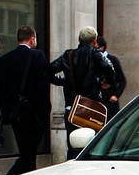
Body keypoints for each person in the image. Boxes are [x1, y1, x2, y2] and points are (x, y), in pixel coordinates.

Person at [49, 26, 115, 157]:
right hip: (92, 108)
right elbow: (110, 69)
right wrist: (105, 84)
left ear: (79, 40)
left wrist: (62, 81)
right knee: (92, 147)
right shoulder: (96, 54)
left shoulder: (68, 55)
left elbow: (48, 71)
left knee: (73, 146)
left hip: (73, 107)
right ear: (95, 40)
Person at [0, 25, 50, 175]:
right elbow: (42, 88)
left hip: (15, 114)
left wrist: (7, 110)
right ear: (32, 39)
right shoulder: (38, 56)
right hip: (33, 115)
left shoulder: (5, 60)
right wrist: (44, 111)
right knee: (28, 156)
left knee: (27, 154)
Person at [95, 35, 127, 119]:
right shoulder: (93, 60)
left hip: (110, 100)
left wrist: (116, 95)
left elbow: (122, 80)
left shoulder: (112, 60)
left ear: (102, 47)